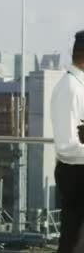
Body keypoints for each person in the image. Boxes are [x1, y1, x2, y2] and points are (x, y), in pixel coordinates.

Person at [51, 30, 84, 253]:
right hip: (76, 175)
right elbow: (66, 146)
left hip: (78, 171)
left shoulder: (77, 86)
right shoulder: (70, 88)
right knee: (74, 241)